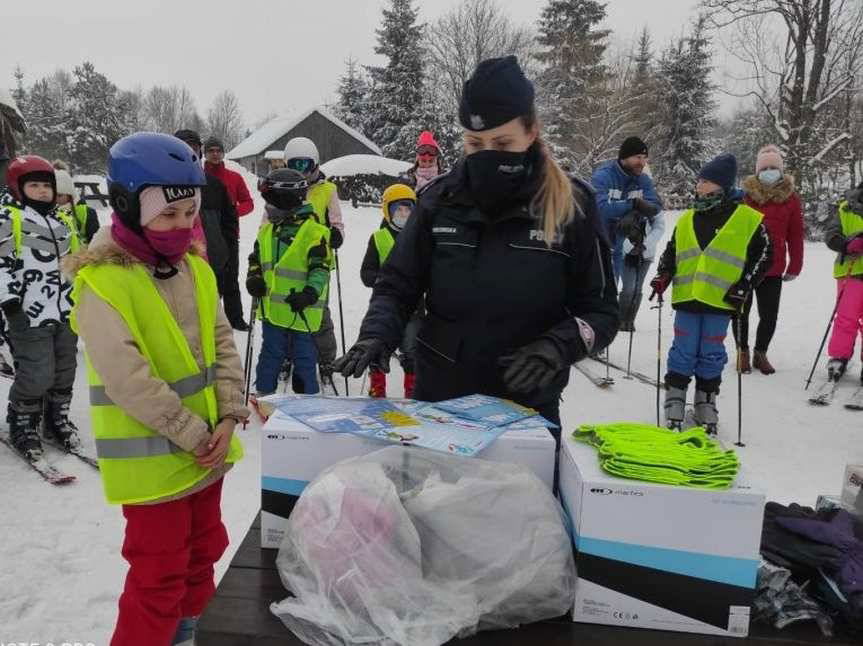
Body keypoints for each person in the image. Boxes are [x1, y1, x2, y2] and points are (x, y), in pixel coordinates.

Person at [334, 55, 618, 445]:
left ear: (531, 131)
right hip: (441, 402)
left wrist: (557, 346)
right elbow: (397, 287)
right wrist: (377, 335)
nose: (488, 153)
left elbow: (601, 312)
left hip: (526, 409)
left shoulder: (573, 207)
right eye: (475, 143)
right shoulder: (438, 201)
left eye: (502, 142)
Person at [65, 132, 247, 646]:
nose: (183, 226)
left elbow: (223, 345)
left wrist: (230, 413)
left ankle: (188, 635)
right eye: (168, 216)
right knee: (158, 577)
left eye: (190, 214)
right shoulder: (104, 284)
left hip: (206, 454)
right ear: (126, 206)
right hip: (156, 467)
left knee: (203, 554)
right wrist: (191, 432)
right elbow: (128, 378)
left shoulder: (197, 270)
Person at [650, 153, 772, 433]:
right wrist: (663, 276)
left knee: (711, 352)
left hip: (721, 300)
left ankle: (706, 399)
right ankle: (676, 396)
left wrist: (745, 284)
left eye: (703, 181)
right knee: (683, 349)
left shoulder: (748, 219)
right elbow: (673, 251)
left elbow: (765, 255)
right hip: (688, 297)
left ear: (720, 185)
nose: (698, 185)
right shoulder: (688, 218)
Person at [1, 155, 81, 459]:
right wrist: (9, 302)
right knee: (37, 372)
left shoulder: (62, 220)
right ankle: (23, 422)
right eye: (34, 185)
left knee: (65, 369)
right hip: (27, 312)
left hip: (65, 310)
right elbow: (0, 264)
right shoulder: (9, 218)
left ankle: (55, 418)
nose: (43, 191)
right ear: (18, 187)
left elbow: (78, 261)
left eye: (47, 185)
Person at [246, 168, 332, 400]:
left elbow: (321, 267)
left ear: (287, 201)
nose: (266, 207)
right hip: (273, 311)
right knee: (271, 353)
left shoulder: (314, 232)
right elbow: (255, 258)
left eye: (271, 202)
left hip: (302, 310)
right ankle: (264, 394)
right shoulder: (267, 232)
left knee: (304, 356)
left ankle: (306, 398)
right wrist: (253, 277)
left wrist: (310, 293)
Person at [736, 144, 804, 374]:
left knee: (769, 315)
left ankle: (760, 353)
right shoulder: (745, 197)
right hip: (744, 266)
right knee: (740, 312)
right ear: (757, 171)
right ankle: (742, 352)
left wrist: (795, 265)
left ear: (782, 171)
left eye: (774, 167)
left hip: (773, 267)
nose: (770, 171)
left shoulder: (791, 199)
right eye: (765, 168)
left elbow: (795, 234)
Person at [284, 136, 345, 387]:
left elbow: (337, 220)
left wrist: (336, 234)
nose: (301, 171)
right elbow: (269, 219)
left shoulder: (327, 190)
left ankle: (325, 358)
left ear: (315, 164)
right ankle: (288, 354)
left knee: (319, 313)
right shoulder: (283, 187)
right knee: (287, 309)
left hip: (318, 260)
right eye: (295, 165)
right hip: (288, 261)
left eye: (305, 165)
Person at [360, 183, 421, 398]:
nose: (403, 215)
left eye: (408, 210)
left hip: (414, 309)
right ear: (388, 211)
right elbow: (366, 273)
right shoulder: (378, 238)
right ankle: (377, 389)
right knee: (377, 349)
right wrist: (382, 281)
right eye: (399, 210)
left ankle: (412, 392)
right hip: (385, 308)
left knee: (412, 351)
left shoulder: (420, 238)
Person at [175, 129, 239, 307]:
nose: (188, 152)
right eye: (182, 147)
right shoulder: (160, 184)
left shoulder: (213, 184)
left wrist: (226, 253)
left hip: (213, 263)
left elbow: (229, 222)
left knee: (209, 313)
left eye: (193, 148)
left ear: (199, 152)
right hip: (175, 267)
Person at [591, 136, 663, 283]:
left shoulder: (643, 180)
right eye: (638, 157)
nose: (642, 163)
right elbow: (600, 208)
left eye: (644, 158)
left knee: (612, 293)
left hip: (619, 248)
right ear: (624, 157)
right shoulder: (603, 176)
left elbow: (655, 205)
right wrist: (633, 204)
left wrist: (634, 214)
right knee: (596, 294)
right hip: (597, 247)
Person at [204, 135, 254, 330]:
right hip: (206, 236)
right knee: (208, 280)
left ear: (223, 153)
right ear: (205, 154)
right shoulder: (198, 177)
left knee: (231, 277)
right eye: (211, 151)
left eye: (218, 150)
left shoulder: (234, 177)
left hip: (229, 235)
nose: (215, 154)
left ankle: (235, 318)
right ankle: (210, 319)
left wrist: (231, 213)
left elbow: (248, 202)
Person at [823, 182, 863, 384]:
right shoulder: (846, 207)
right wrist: (847, 244)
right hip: (851, 273)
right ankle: (839, 357)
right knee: (846, 318)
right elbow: (831, 235)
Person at [53, 163, 100, 245]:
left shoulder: (86, 213)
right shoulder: (46, 212)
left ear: (69, 195)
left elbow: (95, 245)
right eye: (52, 195)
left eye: (59, 195)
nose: (55, 199)